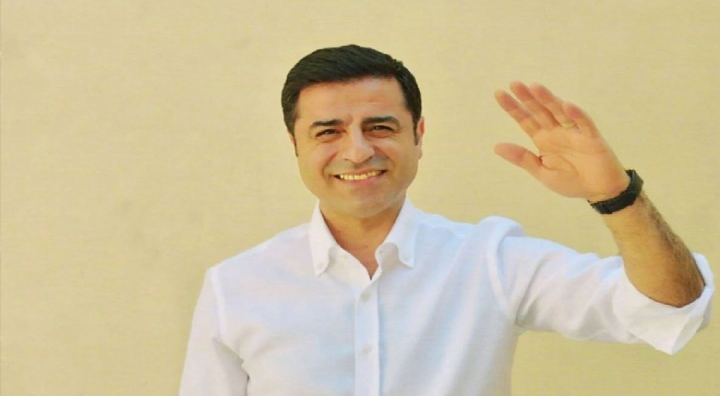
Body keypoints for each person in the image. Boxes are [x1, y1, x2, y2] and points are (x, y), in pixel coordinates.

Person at [178, 45, 714, 396]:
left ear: (419, 136)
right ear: (295, 143)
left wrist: (616, 195)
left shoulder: (491, 260)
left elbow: (671, 308)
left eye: (380, 126)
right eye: (328, 131)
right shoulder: (236, 286)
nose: (358, 151)